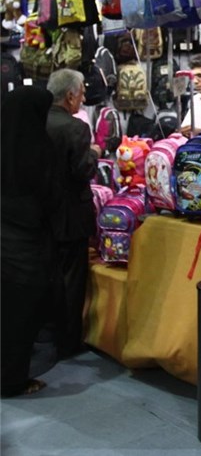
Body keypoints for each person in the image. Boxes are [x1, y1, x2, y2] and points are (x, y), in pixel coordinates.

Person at [1, 87, 56, 396]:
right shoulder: (40, 147)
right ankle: (11, 380)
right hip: (24, 245)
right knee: (19, 317)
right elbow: (51, 198)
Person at [45, 69, 102, 359]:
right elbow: (83, 171)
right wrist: (94, 152)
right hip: (71, 215)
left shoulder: (36, 122)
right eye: (81, 94)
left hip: (43, 213)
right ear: (70, 96)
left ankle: (48, 333)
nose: (82, 99)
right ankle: (68, 341)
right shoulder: (75, 128)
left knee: (49, 275)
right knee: (72, 280)